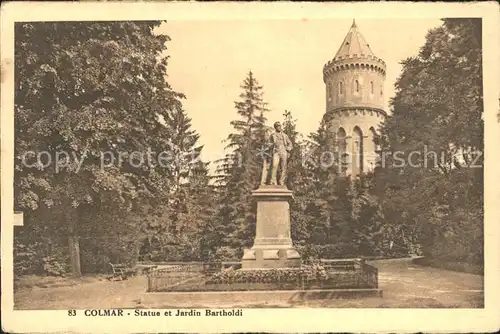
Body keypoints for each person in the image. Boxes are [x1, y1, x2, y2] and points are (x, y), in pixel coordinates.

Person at [269, 122, 292, 186]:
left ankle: (281, 181)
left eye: (280, 126)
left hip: (283, 151)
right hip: (276, 151)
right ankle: (273, 181)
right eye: (277, 126)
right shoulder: (272, 135)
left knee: (283, 167)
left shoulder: (285, 135)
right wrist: (271, 146)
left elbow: (290, 143)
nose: (279, 127)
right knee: (274, 166)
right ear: (275, 127)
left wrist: (288, 149)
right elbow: (269, 143)